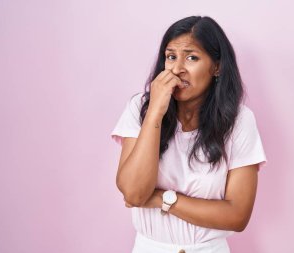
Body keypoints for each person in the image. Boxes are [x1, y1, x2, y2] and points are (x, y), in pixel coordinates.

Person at [111, 15, 267, 253]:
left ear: (217, 67)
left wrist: (162, 199)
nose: (177, 69)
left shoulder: (239, 120)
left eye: (191, 57)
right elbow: (133, 193)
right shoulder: (139, 109)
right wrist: (155, 111)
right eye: (171, 56)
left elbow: (237, 215)